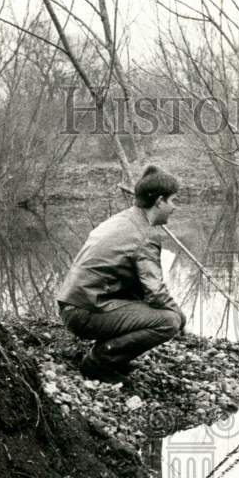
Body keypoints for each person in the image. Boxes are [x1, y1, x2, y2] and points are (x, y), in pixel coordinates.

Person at [56, 164, 186, 383]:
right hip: (85, 313)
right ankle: (99, 361)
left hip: (75, 306)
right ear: (159, 201)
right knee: (169, 321)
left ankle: (113, 356)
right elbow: (156, 293)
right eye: (173, 200)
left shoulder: (124, 220)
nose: (175, 207)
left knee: (148, 306)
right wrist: (181, 317)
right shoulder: (144, 235)